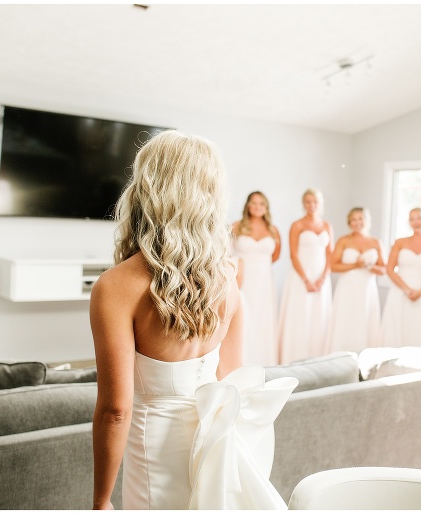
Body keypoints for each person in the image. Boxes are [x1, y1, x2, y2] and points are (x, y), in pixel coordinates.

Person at [90, 130, 297, 510]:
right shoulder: (228, 278)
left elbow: (116, 410)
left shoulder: (116, 286)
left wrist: (101, 500)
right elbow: (231, 379)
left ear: (146, 188)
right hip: (213, 453)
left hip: (153, 453)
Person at [278, 188, 333, 364]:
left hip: (322, 279)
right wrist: (306, 280)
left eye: (315, 201)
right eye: (308, 202)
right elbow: (293, 255)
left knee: (319, 316)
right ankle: (295, 357)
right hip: (301, 277)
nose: (311, 205)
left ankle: (318, 358)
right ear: (303, 204)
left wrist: (323, 278)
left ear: (320, 203)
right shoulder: (297, 225)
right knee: (300, 315)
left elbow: (330, 255)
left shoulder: (327, 226)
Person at [231, 191, 282, 367]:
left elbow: (275, 256)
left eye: (261, 203)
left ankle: (265, 361)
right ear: (247, 206)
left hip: (265, 281)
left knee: (264, 319)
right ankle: (243, 360)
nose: (257, 206)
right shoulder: (236, 226)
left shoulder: (273, 230)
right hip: (243, 279)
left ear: (266, 207)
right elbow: (226, 254)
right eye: (253, 203)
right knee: (245, 315)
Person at [325, 207, 385, 353]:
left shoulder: (376, 242)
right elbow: (333, 266)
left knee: (364, 320)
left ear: (367, 220)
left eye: (360, 219)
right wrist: (355, 265)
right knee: (346, 319)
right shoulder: (344, 241)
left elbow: (383, 270)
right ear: (349, 223)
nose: (357, 222)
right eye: (353, 220)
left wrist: (369, 266)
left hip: (367, 289)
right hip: (347, 287)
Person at [379, 208, 421, 347]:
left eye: (418, 218)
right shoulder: (400, 242)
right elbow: (390, 269)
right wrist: (407, 290)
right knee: (398, 330)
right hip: (400, 293)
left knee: (420, 330)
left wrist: (420, 292)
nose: (416, 222)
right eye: (412, 219)